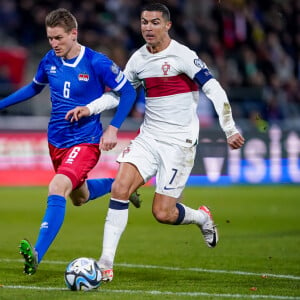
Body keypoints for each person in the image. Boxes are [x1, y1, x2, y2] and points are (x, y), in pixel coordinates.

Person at [66, 3, 245, 282]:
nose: (148, 27)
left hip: (179, 143)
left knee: (163, 213)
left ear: (167, 25)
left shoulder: (183, 56)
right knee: (120, 187)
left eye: (154, 22)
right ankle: (106, 263)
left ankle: (201, 218)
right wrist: (90, 108)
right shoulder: (138, 60)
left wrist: (229, 128)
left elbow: (214, 88)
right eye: (144, 22)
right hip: (149, 137)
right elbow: (119, 94)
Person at [0, 8, 140, 275]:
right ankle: (120, 185)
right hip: (56, 141)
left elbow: (129, 92)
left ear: (73, 34)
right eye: (50, 38)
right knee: (79, 197)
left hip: (85, 141)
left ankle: (37, 254)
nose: (54, 44)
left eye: (59, 38)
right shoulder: (49, 59)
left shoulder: (97, 63)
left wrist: (113, 128)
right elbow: (33, 88)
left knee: (57, 186)